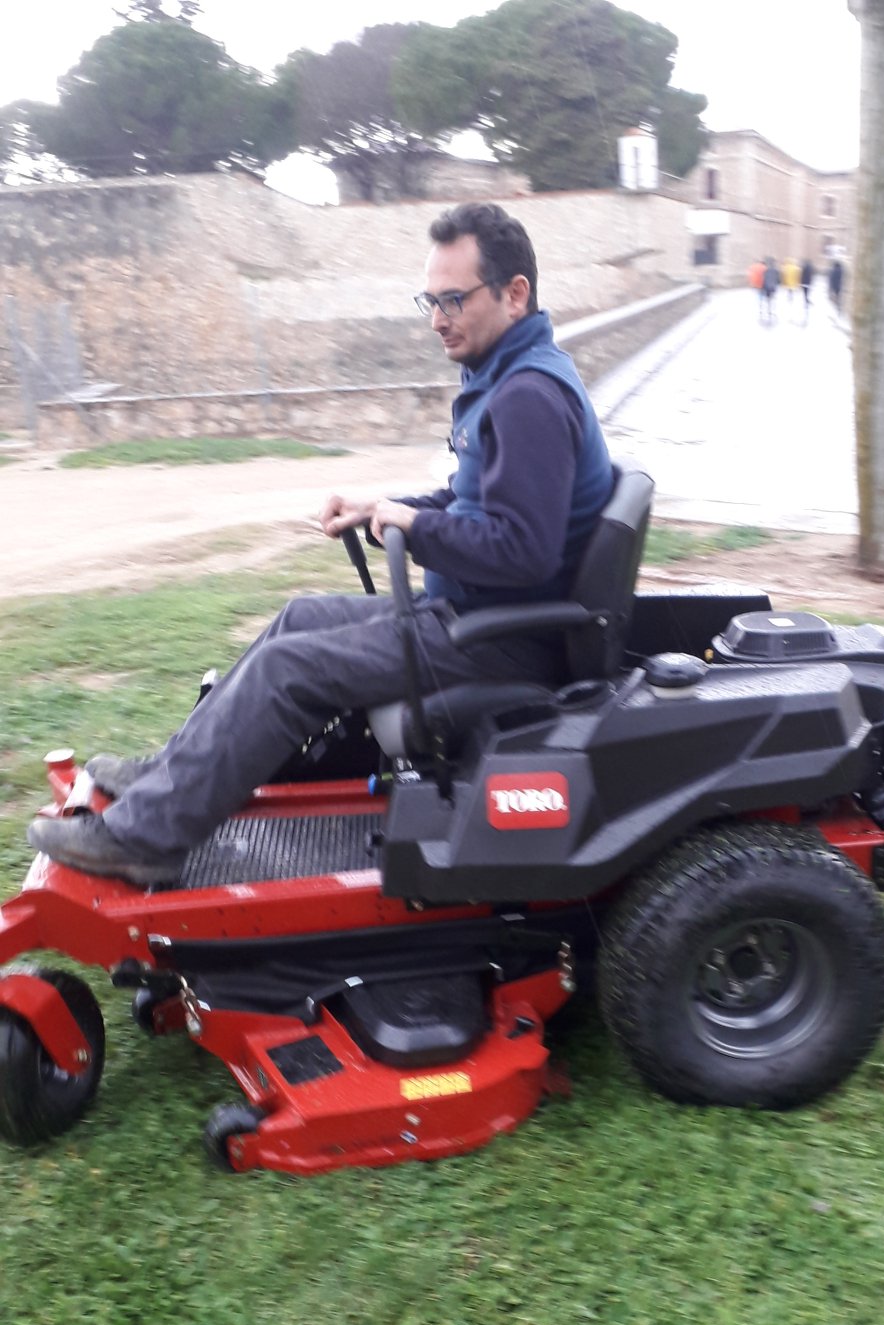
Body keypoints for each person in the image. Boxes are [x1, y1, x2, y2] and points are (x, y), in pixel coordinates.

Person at [29, 203, 615, 889]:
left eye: (453, 299)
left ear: (514, 294)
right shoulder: (508, 378)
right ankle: (169, 777)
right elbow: (476, 501)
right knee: (299, 617)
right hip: (475, 615)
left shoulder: (527, 397)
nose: (436, 318)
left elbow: (522, 551)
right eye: (430, 300)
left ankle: (145, 839)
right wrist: (382, 508)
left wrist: (412, 526)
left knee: (289, 671)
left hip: (499, 637)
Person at [758, 254, 779, 324]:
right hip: (773, 287)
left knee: (767, 299)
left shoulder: (766, 270)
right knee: (772, 298)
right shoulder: (776, 270)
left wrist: (763, 288)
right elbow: (778, 280)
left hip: (767, 287)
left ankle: (768, 309)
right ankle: (771, 310)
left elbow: (764, 280)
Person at [779, 252, 801, 317]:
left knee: (789, 291)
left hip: (787, 283)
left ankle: (789, 298)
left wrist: (783, 283)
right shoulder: (796, 268)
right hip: (793, 283)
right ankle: (791, 298)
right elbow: (798, 276)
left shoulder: (785, 267)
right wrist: (798, 283)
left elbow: (783, 276)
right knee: (791, 291)